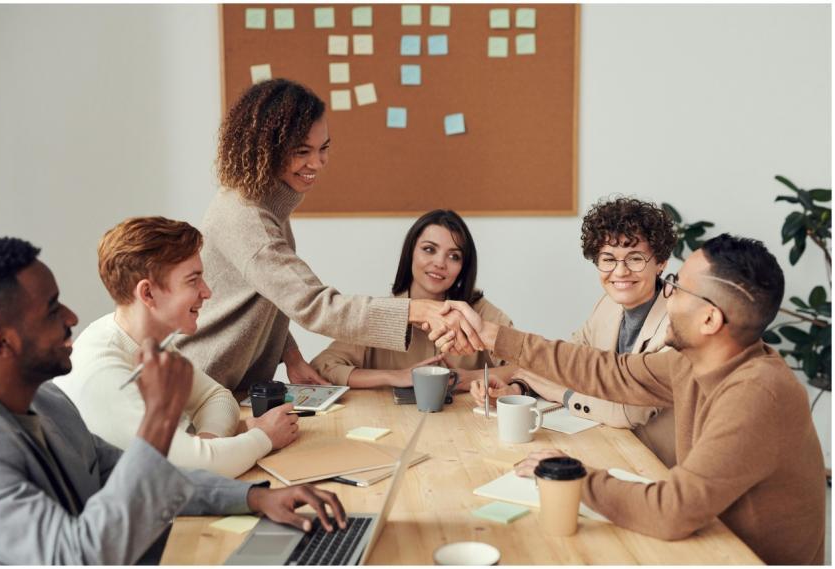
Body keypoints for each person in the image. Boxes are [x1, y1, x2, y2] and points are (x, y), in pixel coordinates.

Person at [435, 234, 825, 565]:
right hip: (706, 542)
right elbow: (610, 372)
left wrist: (574, 477)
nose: (664, 292)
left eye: (675, 285)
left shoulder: (757, 394)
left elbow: (671, 510)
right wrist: (495, 336)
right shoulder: (694, 362)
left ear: (710, 320)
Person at [0, 237, 347, 565]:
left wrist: (254, 498)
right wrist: (160, 417)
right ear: (1, 343)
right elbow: (79, 557)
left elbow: (151, 478)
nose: (72, 317)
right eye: (52, 310)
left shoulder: (49, 403)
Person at [177, 78, 481, 393]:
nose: (317, 163)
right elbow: (315, 305)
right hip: (202, 385)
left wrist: (291, 356)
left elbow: (272, 295)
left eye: (323, 149)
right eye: (302, 151)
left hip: (230, 387)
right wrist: (415, 310)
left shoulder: (266, 205)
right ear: (266, 150)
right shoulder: (247, 217)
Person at [54, 217, 297, 478]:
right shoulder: (103, 371)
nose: (207, 292)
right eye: (193, 281)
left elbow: (216, 397)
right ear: (147, 294)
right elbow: (193, 471)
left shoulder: (146, 339)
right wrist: (263, 437)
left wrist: (208, 445)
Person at [470, 197, 678, 466]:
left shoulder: (677, 322)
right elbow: (567, 364)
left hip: (656, 466)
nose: (620, 271)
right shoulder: (608, 305)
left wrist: (561, 394)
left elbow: (627, 412)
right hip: (609, 447)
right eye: (608, 259)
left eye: (635, 258)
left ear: (660, 262)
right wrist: (518, 387)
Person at [311, 210, 516, 390]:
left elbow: (529, 367)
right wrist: (394, 376)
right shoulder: (382, 314)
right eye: (429, 249)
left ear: (464, 267)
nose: (440, 263)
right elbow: (323, 366)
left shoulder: (479, 312)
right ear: (410, 253)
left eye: (454, 256)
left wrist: (472, 377)